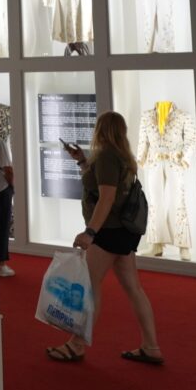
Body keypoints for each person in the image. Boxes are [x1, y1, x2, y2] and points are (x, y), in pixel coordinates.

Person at [46, 111, 164, 365]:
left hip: (109, 232)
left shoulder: (108, 156)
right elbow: (102, 188)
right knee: (133, 288)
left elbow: (106, 198)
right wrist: (82, 161)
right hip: (122, 232)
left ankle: (76, 344)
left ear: (100, 129)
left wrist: (90, 232)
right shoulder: (121, 156)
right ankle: (151, 346)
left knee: (90, 288)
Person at [0, 121, 14, 277]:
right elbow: (7, 169)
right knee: (1, 228)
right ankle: (0, 264)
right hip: (0, 188)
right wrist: (12, 185)